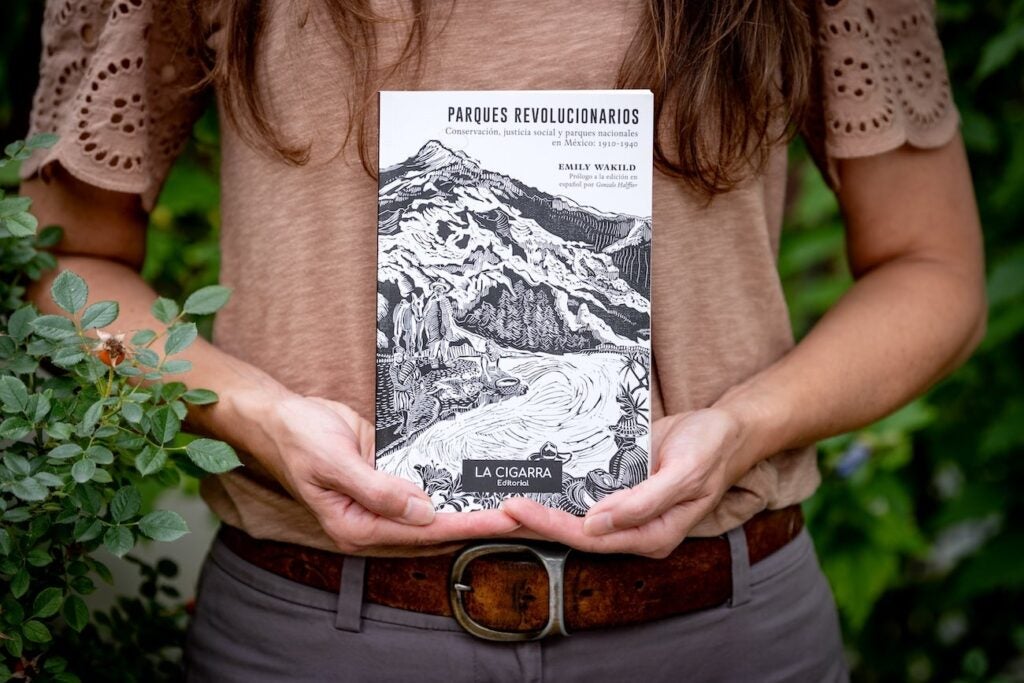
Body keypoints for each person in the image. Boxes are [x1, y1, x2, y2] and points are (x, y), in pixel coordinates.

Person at [19, 0, 985, 681]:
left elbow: (932, 268)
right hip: (323, 632)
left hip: (719, 629)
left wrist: (744, 425)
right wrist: (261, 417)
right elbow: (65, 265)